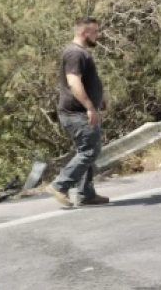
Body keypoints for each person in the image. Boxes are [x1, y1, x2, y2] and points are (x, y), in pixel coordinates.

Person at [47, 16, 109, 207]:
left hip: (79, 112)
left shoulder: (80, 52)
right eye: (95, 32)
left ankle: (86, 194)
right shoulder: (75, 53)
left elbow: (86, 81)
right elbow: (74, 82)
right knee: (90, 151)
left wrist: (99, 99)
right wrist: (90, 107)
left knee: (86, 151)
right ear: (84, 32)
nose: (97, 36)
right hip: (77, 113)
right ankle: (59, 185)